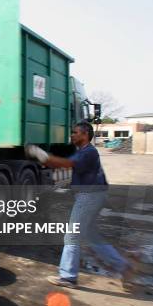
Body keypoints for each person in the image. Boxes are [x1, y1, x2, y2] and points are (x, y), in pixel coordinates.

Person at [25, 121, 130, 288]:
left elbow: (65, 163)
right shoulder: (84, 151)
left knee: (72, 236)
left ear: (85, 134)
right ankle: (122, 266)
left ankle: (68, 277)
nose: (72, 135)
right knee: (90, 235)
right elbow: (62, 163)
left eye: (75, 132)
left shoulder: (88, 152)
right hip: (92, 196)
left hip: (89, 197)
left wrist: (39, 153)